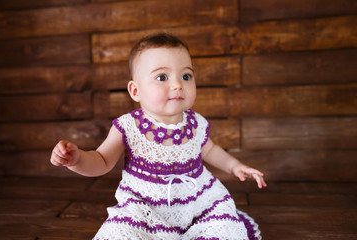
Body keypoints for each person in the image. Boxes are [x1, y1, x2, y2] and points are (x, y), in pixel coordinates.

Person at [50, 33, 266, 240]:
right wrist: (77, 160)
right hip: (145, 209)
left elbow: (209, 149)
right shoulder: (128, 127)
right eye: (162, 77)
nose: (177, 84)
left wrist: (235, 166)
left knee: (224, 226)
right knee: (121, 233)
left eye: (186, 76)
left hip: (197, 203)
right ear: (135, 91)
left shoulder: (195, 123)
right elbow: (103, 161)